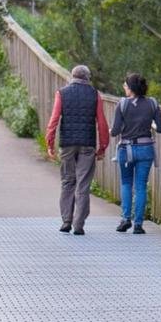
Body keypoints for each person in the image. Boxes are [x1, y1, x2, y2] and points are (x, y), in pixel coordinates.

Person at [45, 63, 109, 235]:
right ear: (87, 78)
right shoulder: (95, 95)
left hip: (67, 144)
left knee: (67, 181)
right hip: (87, 144)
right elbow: (102, 122)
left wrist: (49, 143)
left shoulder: (62, 93)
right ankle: (79, 224)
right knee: (83, 184)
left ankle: (66, 220)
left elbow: (54, 119)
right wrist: (103, 146)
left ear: (72, 77)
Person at [110, 72, 161, 233]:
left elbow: (115, 131)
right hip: (146, 149)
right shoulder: (152, 103)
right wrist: (151, 126)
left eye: (125, 85)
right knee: (141, 186)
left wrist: (113, 130)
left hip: (126, 149)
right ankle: (139, 224)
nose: (124, 88)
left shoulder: (122, 104)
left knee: (126, 183)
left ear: (131, 88)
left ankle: (125, 219)